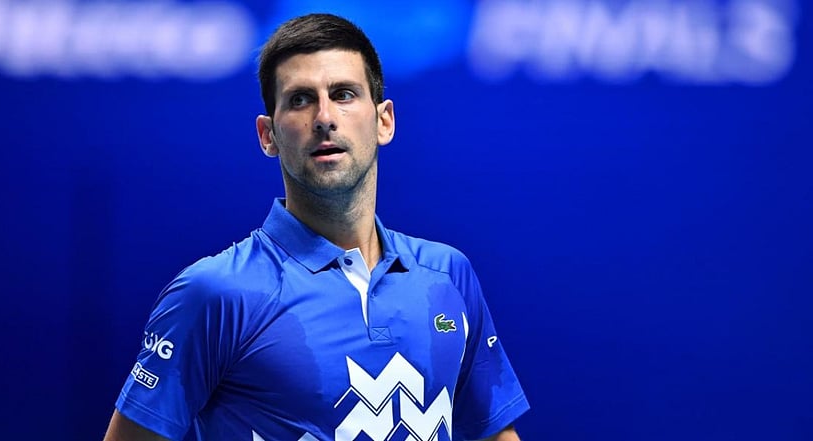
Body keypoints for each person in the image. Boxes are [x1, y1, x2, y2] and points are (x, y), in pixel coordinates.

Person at [103, 13, 529, 441]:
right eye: (301, 100)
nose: (324, 117)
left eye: (343, 94)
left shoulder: (448, 274)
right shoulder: (214, 293)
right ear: (268, 135)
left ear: (384, 121)